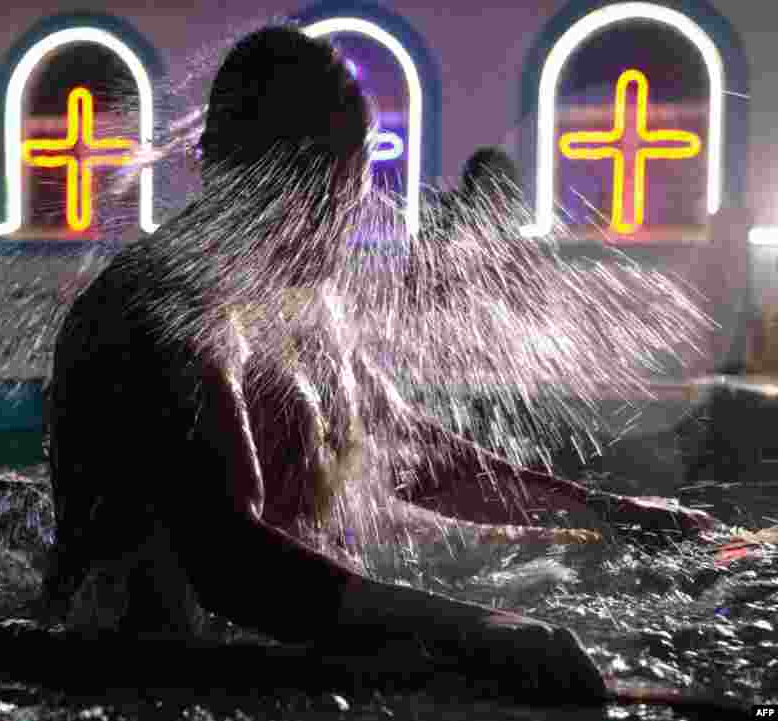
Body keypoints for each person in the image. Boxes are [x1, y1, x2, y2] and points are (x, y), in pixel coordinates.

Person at [41, 26, 704, 701]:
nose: (353, 210)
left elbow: (411, 449)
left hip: (271, 667)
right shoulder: (161, 314)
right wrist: (475, 626)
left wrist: (616, 513)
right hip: (144, 689)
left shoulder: (301, 304)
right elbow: (230, 564)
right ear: (290, 179)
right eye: (342, 184)